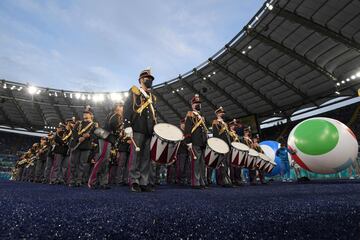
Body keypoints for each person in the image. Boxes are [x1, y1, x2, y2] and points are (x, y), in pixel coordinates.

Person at [124, 68, 157, 192]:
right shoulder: (134, 92)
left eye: (150, 79)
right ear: (140, 80)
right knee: (135, 156)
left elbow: (153, 115)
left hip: (148, 130)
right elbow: (127, 108)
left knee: (146, 158)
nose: (149, 81)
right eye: (147, 79)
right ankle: (134, 181)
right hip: (137, 128)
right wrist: (127, 125)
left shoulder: (152, 97)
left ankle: (144, 181)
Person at [88, 103, 124, 189]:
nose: (122, 108)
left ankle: (103, 182)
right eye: (121, 106)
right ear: (117, 107)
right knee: (102, 159)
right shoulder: (115, 115)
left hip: (107, 138)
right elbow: (114, 126)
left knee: (105, 161)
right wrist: (120, 130)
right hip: (105, 138)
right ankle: (92, 181)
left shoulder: (114, 115)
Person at [184, 94, 208, 189]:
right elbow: (188, 128)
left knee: (202, 163)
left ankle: (202, 181)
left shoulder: (201, 116)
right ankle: (195, 182)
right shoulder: (190, 114)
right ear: (192, 105)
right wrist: (188, 141)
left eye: (199, 103)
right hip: (194, 141)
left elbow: (204, 130)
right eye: (196, 103)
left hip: (202, 142)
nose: (198, 105)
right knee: (196, 163)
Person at [68, 109, 96, 187]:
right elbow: (74, 132)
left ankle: (78, 180)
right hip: (76, 145)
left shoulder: (94, 125)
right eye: (84, 113)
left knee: (82, 164)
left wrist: (89, 136)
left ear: (91, 115)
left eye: (87, 113)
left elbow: (95, 135)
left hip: (86, 146)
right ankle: (72, 180)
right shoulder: (78, 123)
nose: (85, 114)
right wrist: (78, 138)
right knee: (73, 163)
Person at [212, 106, 232, 187]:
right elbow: (216, 134)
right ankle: (220, 180)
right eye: (221, 113)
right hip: (221, 145)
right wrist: (218, 145)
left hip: (227, 145)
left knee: (226, 163)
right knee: (221, 163)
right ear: (217, 114)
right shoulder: (215, 122)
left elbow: (227, 135)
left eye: (223, 113)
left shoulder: (225, 124)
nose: (222, 114)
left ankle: (226, 178)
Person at [176, 119, 190, 185]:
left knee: (186, 167)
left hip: (187, 151)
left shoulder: (186, 132)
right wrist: (187, 144)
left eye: (185, 124)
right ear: (180, 124)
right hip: (181, 151)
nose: (184, 125)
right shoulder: (178, 132)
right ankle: (179, 179)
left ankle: (184, 179)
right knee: (180, 167)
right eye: (183, 123)